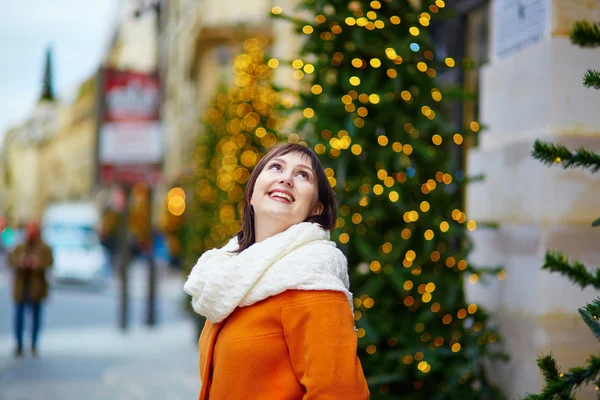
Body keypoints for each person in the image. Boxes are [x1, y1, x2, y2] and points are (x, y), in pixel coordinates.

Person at [184, 143, 370, 399]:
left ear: (316, 209)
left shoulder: (312, 278)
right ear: (251, 195)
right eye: (276, 167)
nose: (286, 178)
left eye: (302, 174)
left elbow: (340, 392)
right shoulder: (230, 276)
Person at [8, 221, 53, 357]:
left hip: (36, 289)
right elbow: (11, 261)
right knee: (18, 317)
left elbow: (49, 262)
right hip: (21, 288)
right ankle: (19, 344)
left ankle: (34, 343)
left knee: (35, 318)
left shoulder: (44, 247)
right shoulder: (20, 247)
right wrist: (20, 262)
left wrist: (37, 264)